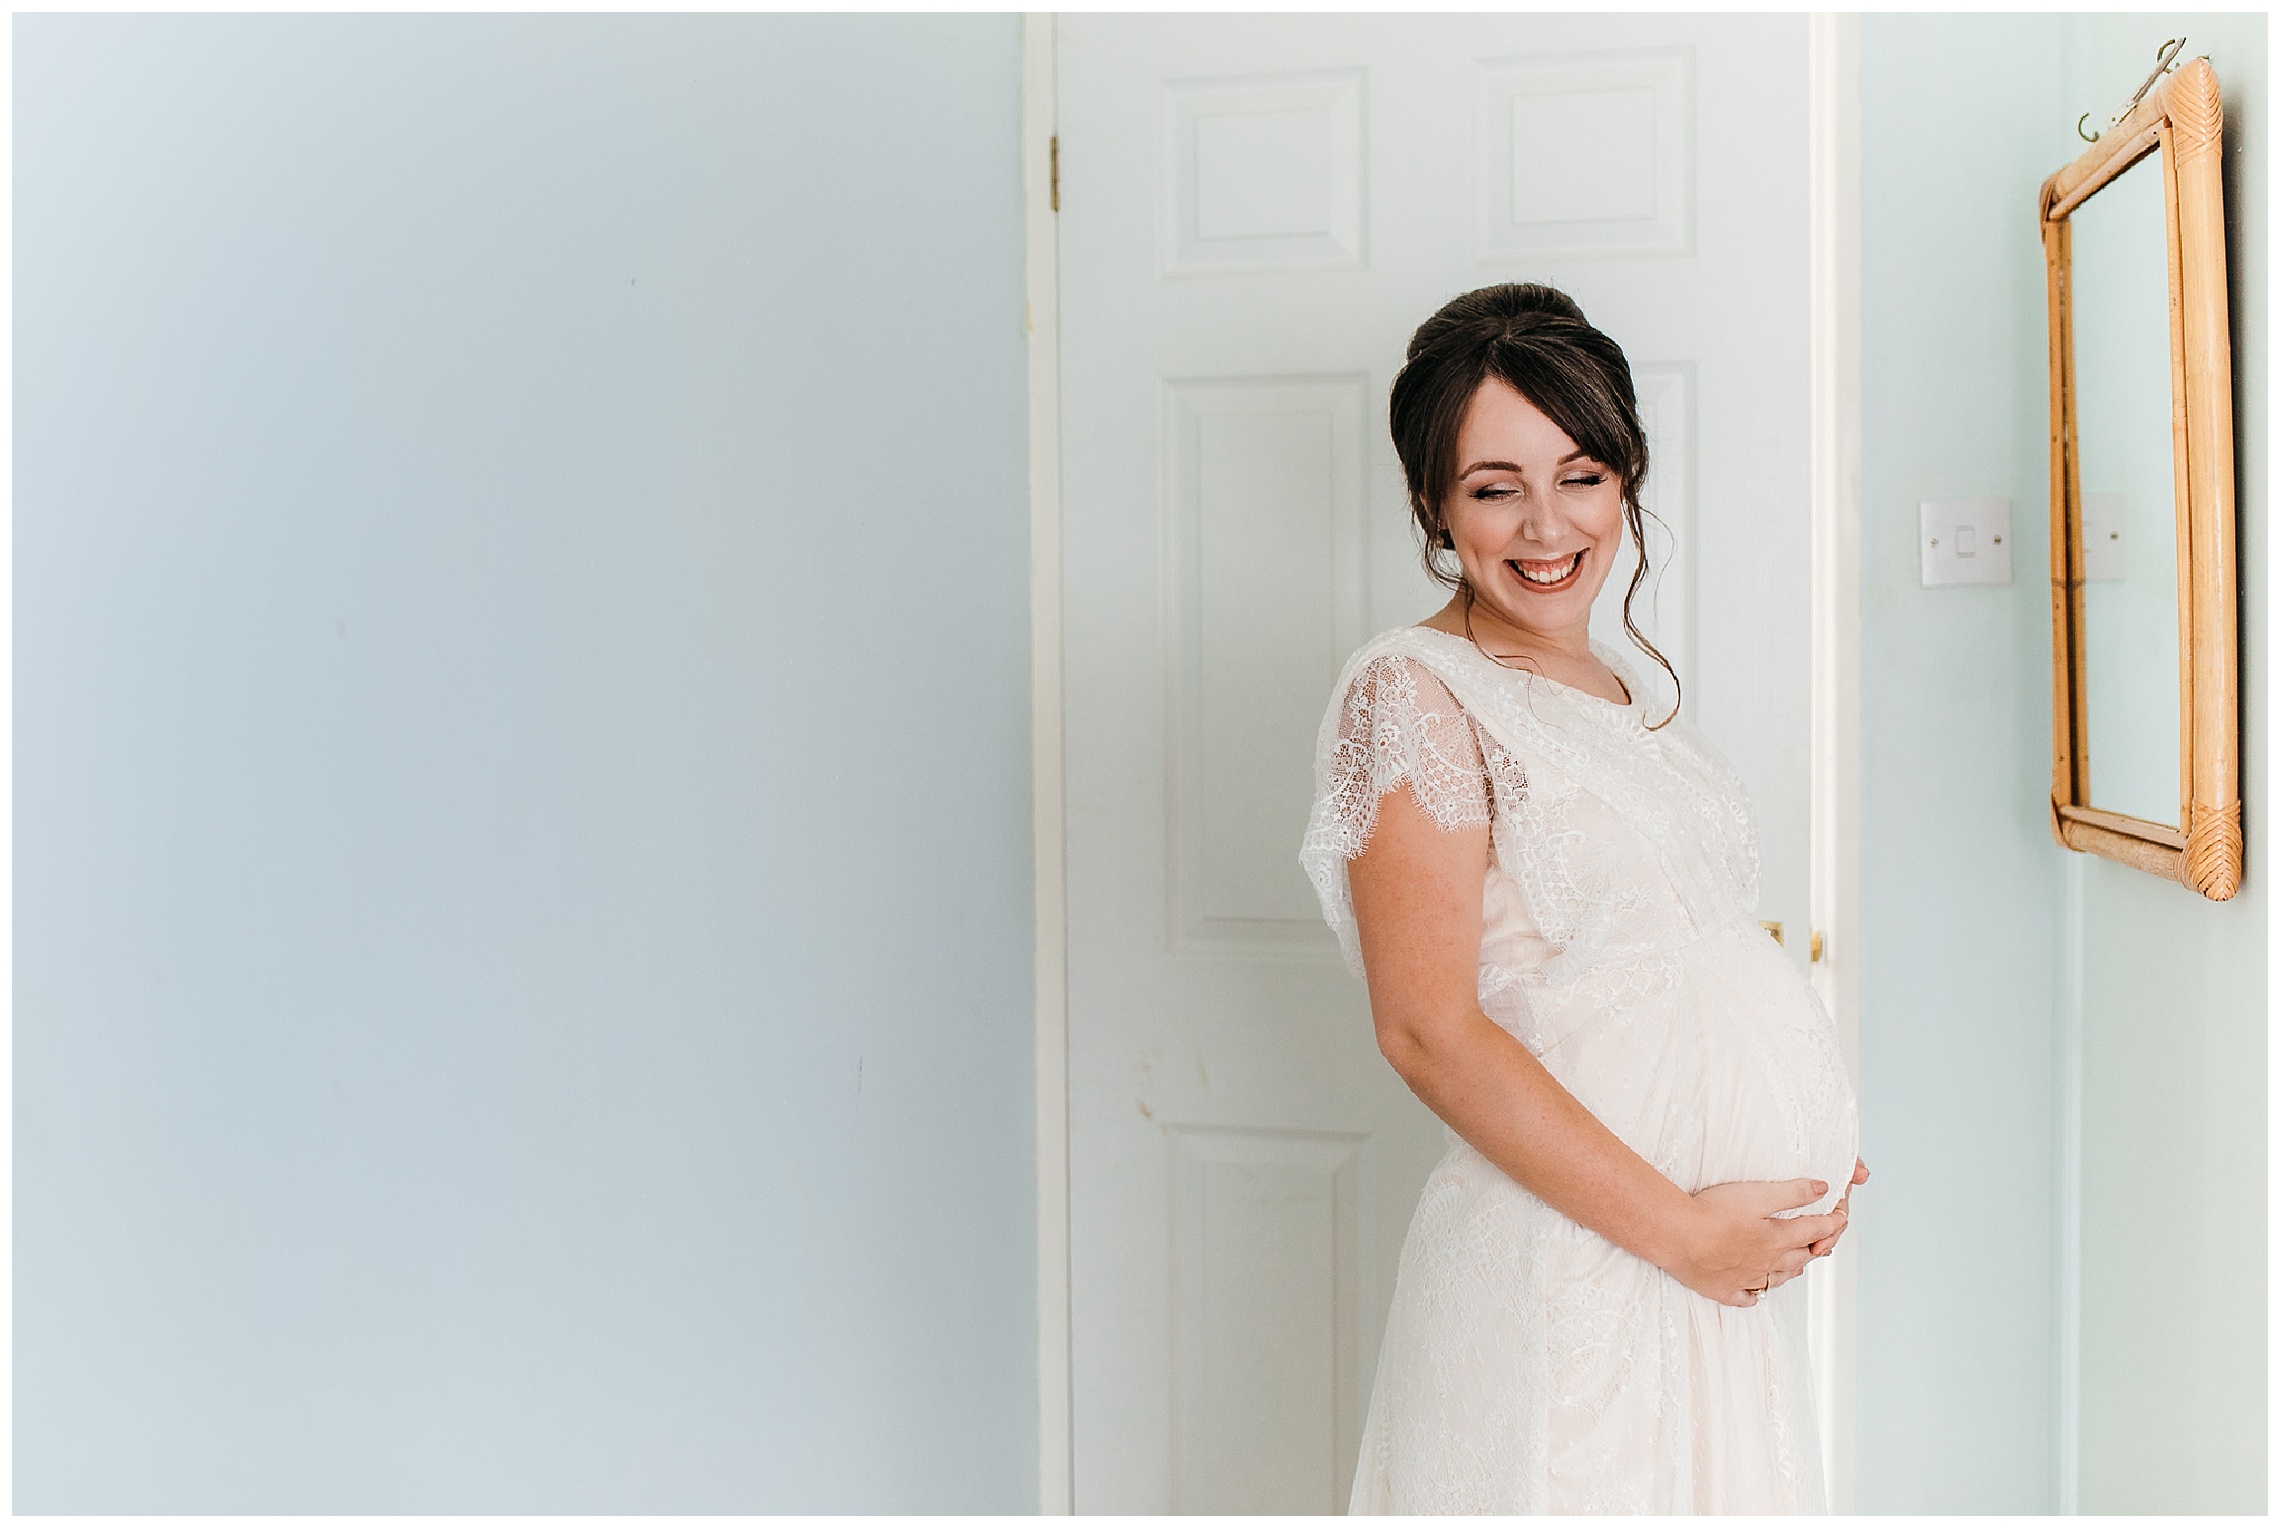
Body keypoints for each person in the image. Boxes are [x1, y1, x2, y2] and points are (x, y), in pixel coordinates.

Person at [1300, 283, 1866, 1514]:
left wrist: (1792, 1119)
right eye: (1495, 486)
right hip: (1578, 1273)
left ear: (1628, 476)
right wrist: (1683, 1230)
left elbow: (1681, 958)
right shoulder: (1417, 693)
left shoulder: (1607, 681)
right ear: (1434, 507)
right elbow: (1427, 1030)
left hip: (1698, 1281)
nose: (1547, 525)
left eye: (1584, 475)